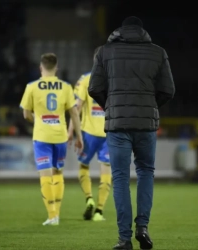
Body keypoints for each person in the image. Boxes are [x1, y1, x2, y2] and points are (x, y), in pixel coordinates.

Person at [89, 16, 175, 250]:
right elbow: (168, 90)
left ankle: (124, 239)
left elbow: (94, 88)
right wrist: (150, 107)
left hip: (117, 126)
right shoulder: (158, 52)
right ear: (142, 31)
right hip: (146, 125)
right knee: (146, 172)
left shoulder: (104, 52)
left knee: (119, 178)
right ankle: (143, 228)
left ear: (119, 30)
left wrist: (111, 107)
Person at [19, 53, 83, 226]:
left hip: (42, 136)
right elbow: (74, 113)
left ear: (41, 67)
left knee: (45, 176)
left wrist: (38, 119)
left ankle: (52, 215)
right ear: (57, 68)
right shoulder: (65, 87)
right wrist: (79, 136)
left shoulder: (31, 86)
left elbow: (25, 114)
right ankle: (57, 214)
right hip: (60, 136)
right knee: (58, 174)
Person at [68, 47, 112, 222]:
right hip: (109, 132)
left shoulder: (85, 79)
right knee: (106, 170)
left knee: (83, 167)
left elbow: (76, 108)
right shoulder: (115, 80)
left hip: (88, 133)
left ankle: (89, 198)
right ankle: (99, 211)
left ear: (94, 60)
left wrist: (71, 130)